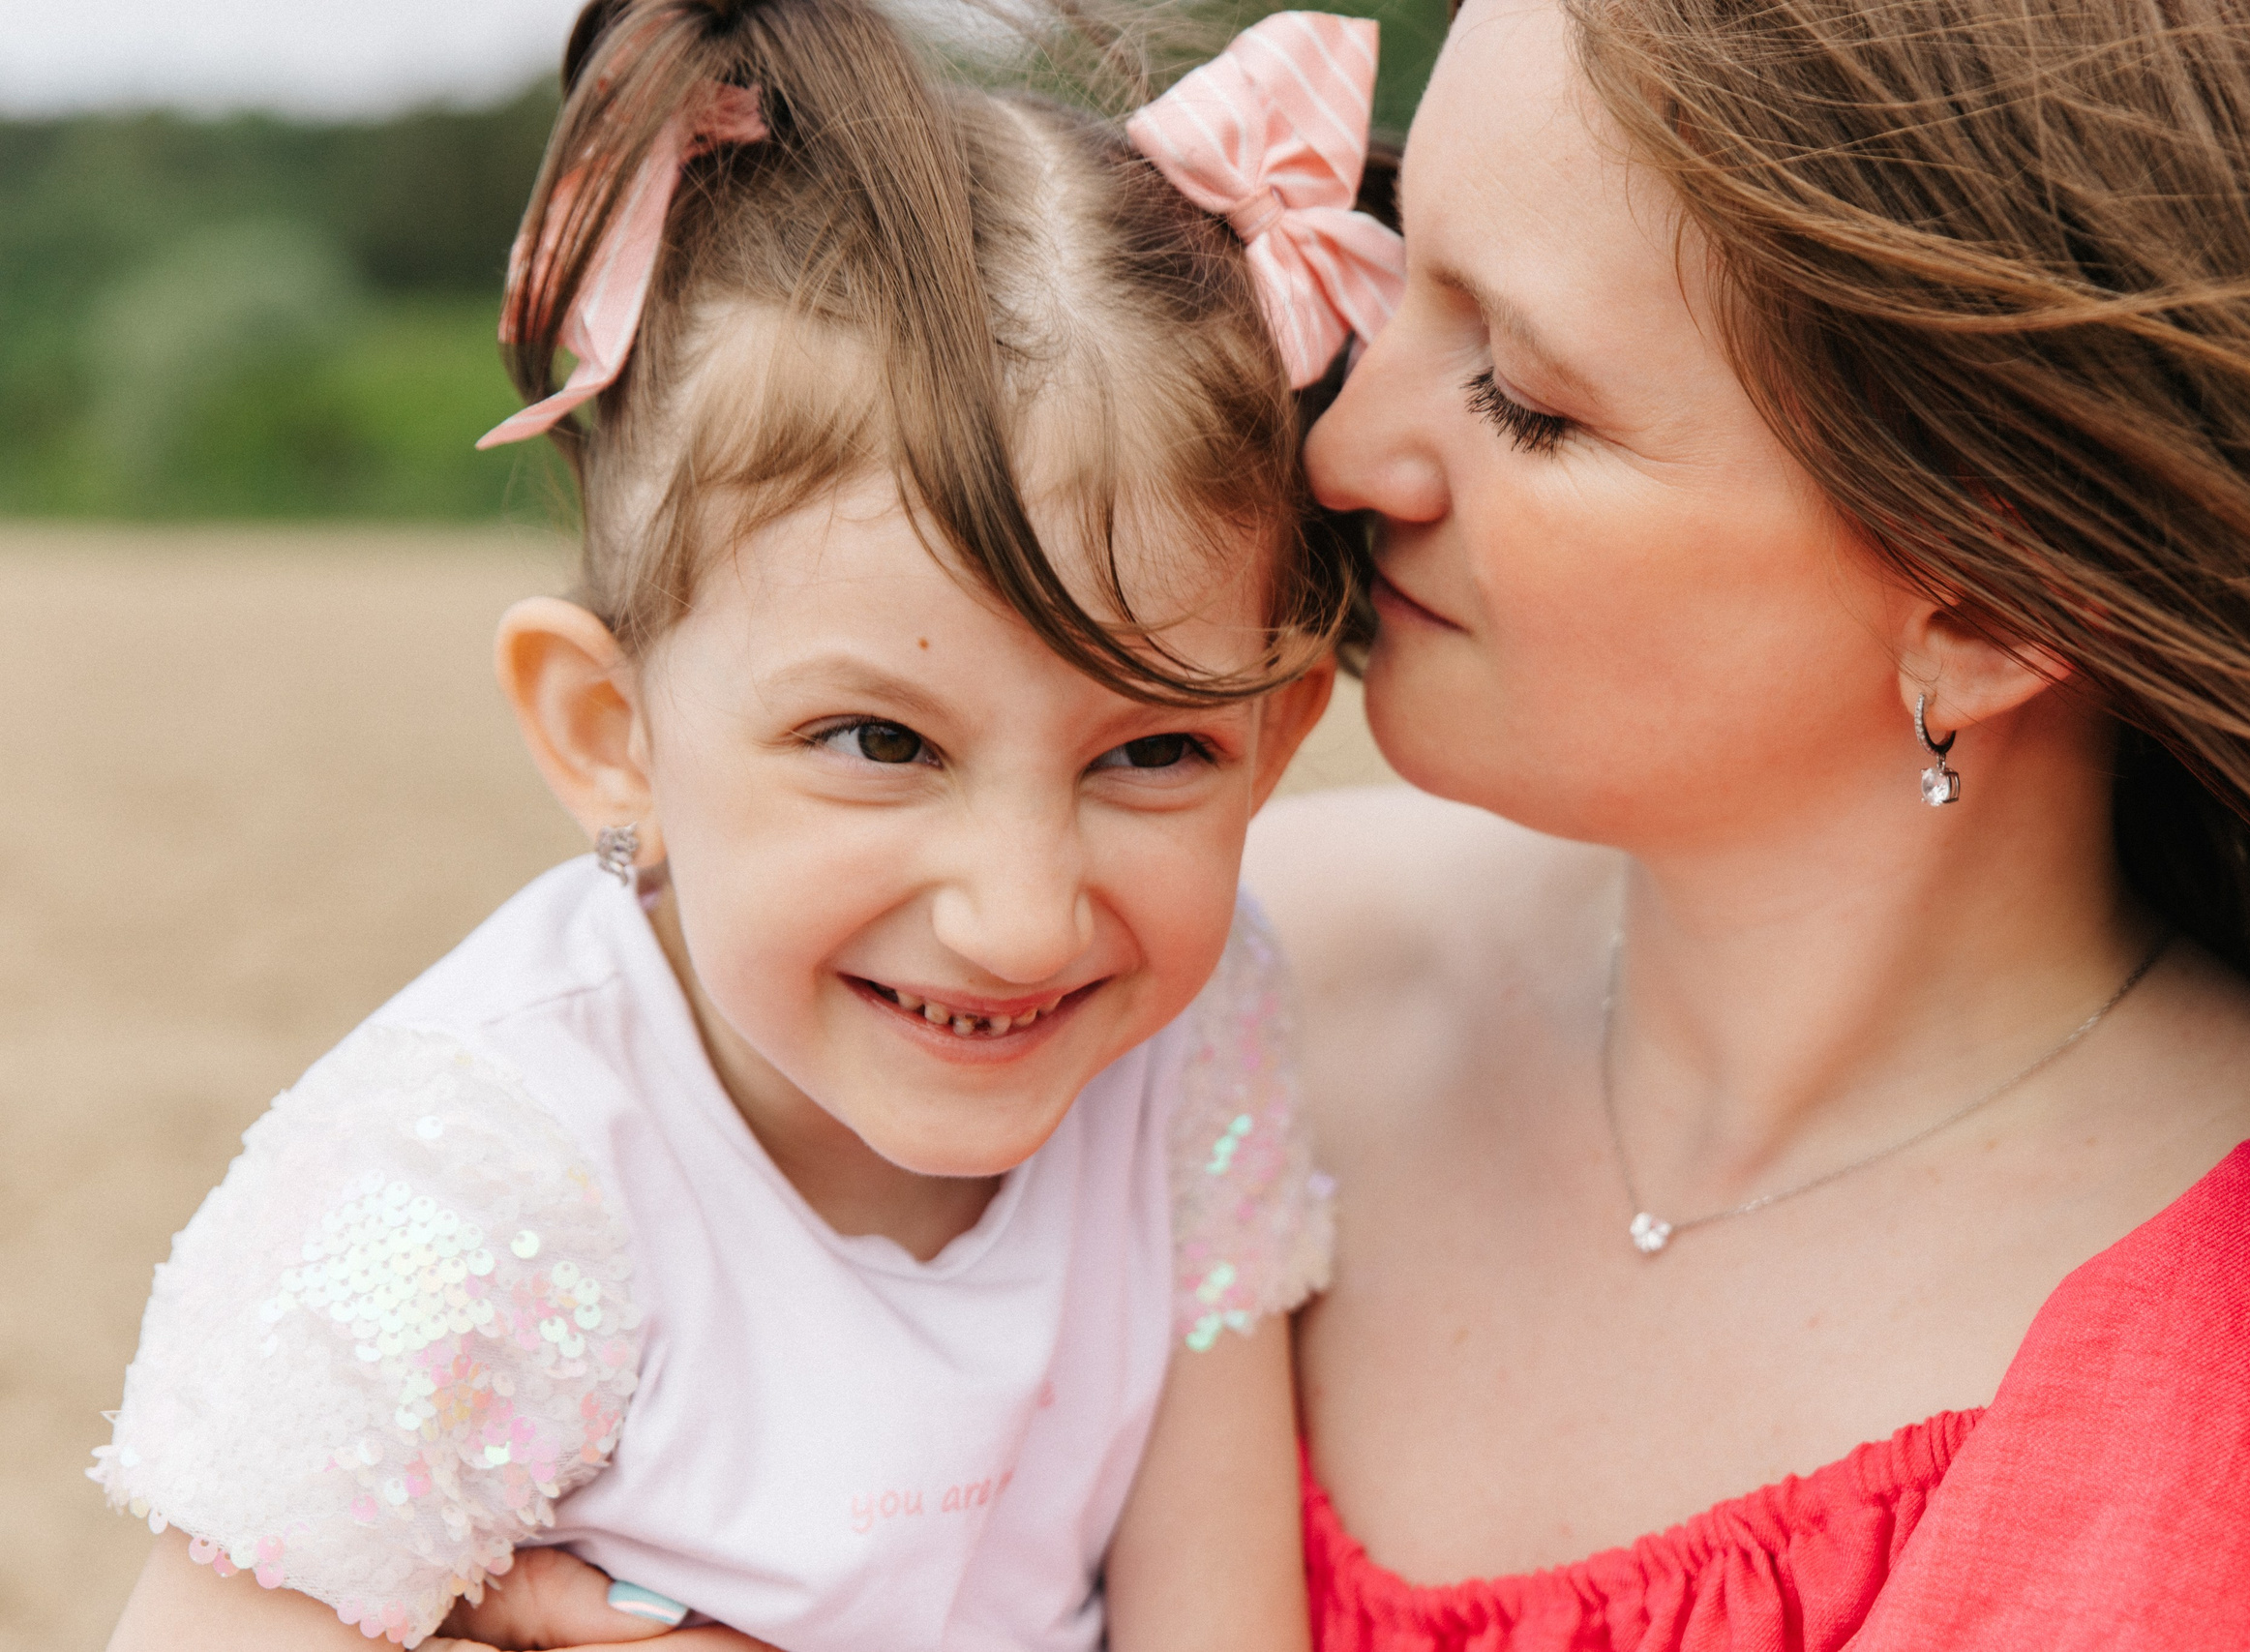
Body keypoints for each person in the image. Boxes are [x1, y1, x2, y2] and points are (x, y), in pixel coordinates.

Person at [89, 1, 1407, 1647]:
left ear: (1277, 740)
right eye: (878, 740)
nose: (1019, 915)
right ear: (609, 733)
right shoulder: (479, 1181)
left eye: (1150, 756)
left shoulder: (1190, 1046)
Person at [1244, 0, 2250, 1643]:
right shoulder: (1200, 989)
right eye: (1398, 274)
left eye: (1528, 398)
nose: (1343, 450)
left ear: (1984, 605)